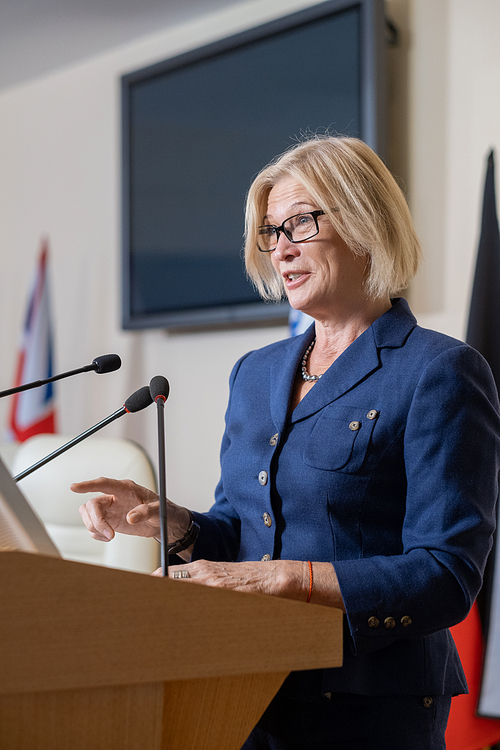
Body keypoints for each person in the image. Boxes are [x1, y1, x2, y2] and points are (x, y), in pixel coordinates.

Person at [73, 136, 500, 750]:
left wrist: (287, 579)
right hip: (240, 686)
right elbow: (240, 529)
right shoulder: (255, 372)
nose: (281, 249)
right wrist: (175, 525)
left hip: (367, 708)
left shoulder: (438, 371)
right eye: (270, 232)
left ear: (362, 220)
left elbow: (445, 575)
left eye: (300, 222)